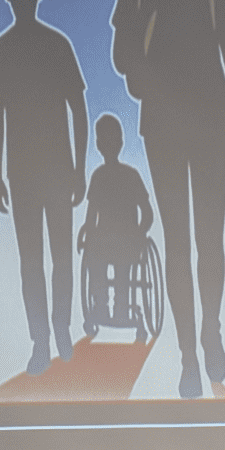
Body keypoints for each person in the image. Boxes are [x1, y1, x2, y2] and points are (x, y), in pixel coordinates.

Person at [111, 0, 225, 399]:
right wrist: (142, 13)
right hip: (170, 124)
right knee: (179, 243)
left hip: (210, 120)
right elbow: (120, 57)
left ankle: (208, 331)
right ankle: (189, 356)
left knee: (208, 241)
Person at [0, 0, 87, 377]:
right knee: (41, 259)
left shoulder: (16, 48)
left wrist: (79, 168)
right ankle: (45, 337)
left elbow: (77, 110)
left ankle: (54, 334)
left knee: (52, 257)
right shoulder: (28, 47)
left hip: (46, 174)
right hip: (32, 175)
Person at [77, 112, 153, 338]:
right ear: (100, 145)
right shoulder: (101, 177)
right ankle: (107, 306)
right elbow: (91, 218)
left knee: (114, 264)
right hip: (112, 242)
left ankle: (114, 307)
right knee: (104, 261)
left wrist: (139, 234)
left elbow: (148, 214)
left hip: (123, 242)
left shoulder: (122, 176)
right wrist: (85, 232)